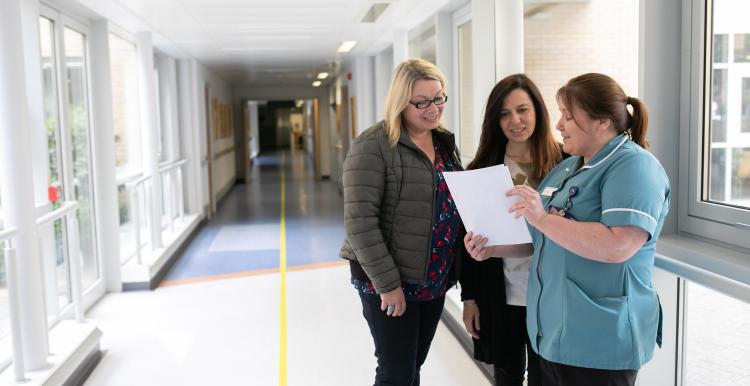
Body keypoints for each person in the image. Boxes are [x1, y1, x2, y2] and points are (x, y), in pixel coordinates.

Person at [498, 73, 670, 385]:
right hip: (550, 335)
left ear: (602, 121)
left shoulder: (634, 167)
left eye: (568, 116)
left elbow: (617, 246)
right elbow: (541, 237)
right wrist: (492, 248)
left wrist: (544, 219)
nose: (559, 126)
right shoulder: (568, 167)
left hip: (599, 342)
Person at [339, 59, 463, 386]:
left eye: (438, 98)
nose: (432, 108)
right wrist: (389, 285)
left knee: (413, 366)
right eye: (421, 102)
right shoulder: (373, 146)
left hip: (433, 277)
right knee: (395, 372)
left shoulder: (444, 143)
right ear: (399, 102)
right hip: (390, 281)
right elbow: (360, 222)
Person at [460, 74, 562, 386]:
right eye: (504, 114)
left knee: (549, 378)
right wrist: (470, 299)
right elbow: (466, 239)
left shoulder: (566, 162)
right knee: (507, 376)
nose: (514, 120)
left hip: (552, 295)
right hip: (500, 294)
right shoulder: (482, 168)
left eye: (522, 110)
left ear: (538, 112)